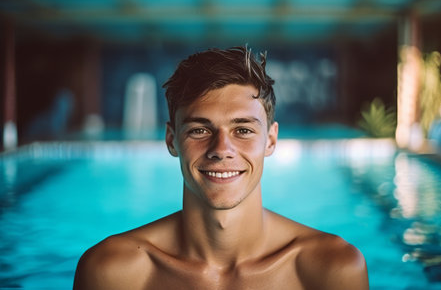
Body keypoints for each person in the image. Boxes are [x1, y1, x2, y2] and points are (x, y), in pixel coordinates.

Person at [73, 46, 369, 290]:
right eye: (200, 131)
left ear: (270, 140)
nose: (221, 150)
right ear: (171, 140)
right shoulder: (114, 273)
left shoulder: (331, 270)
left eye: (242, 130)